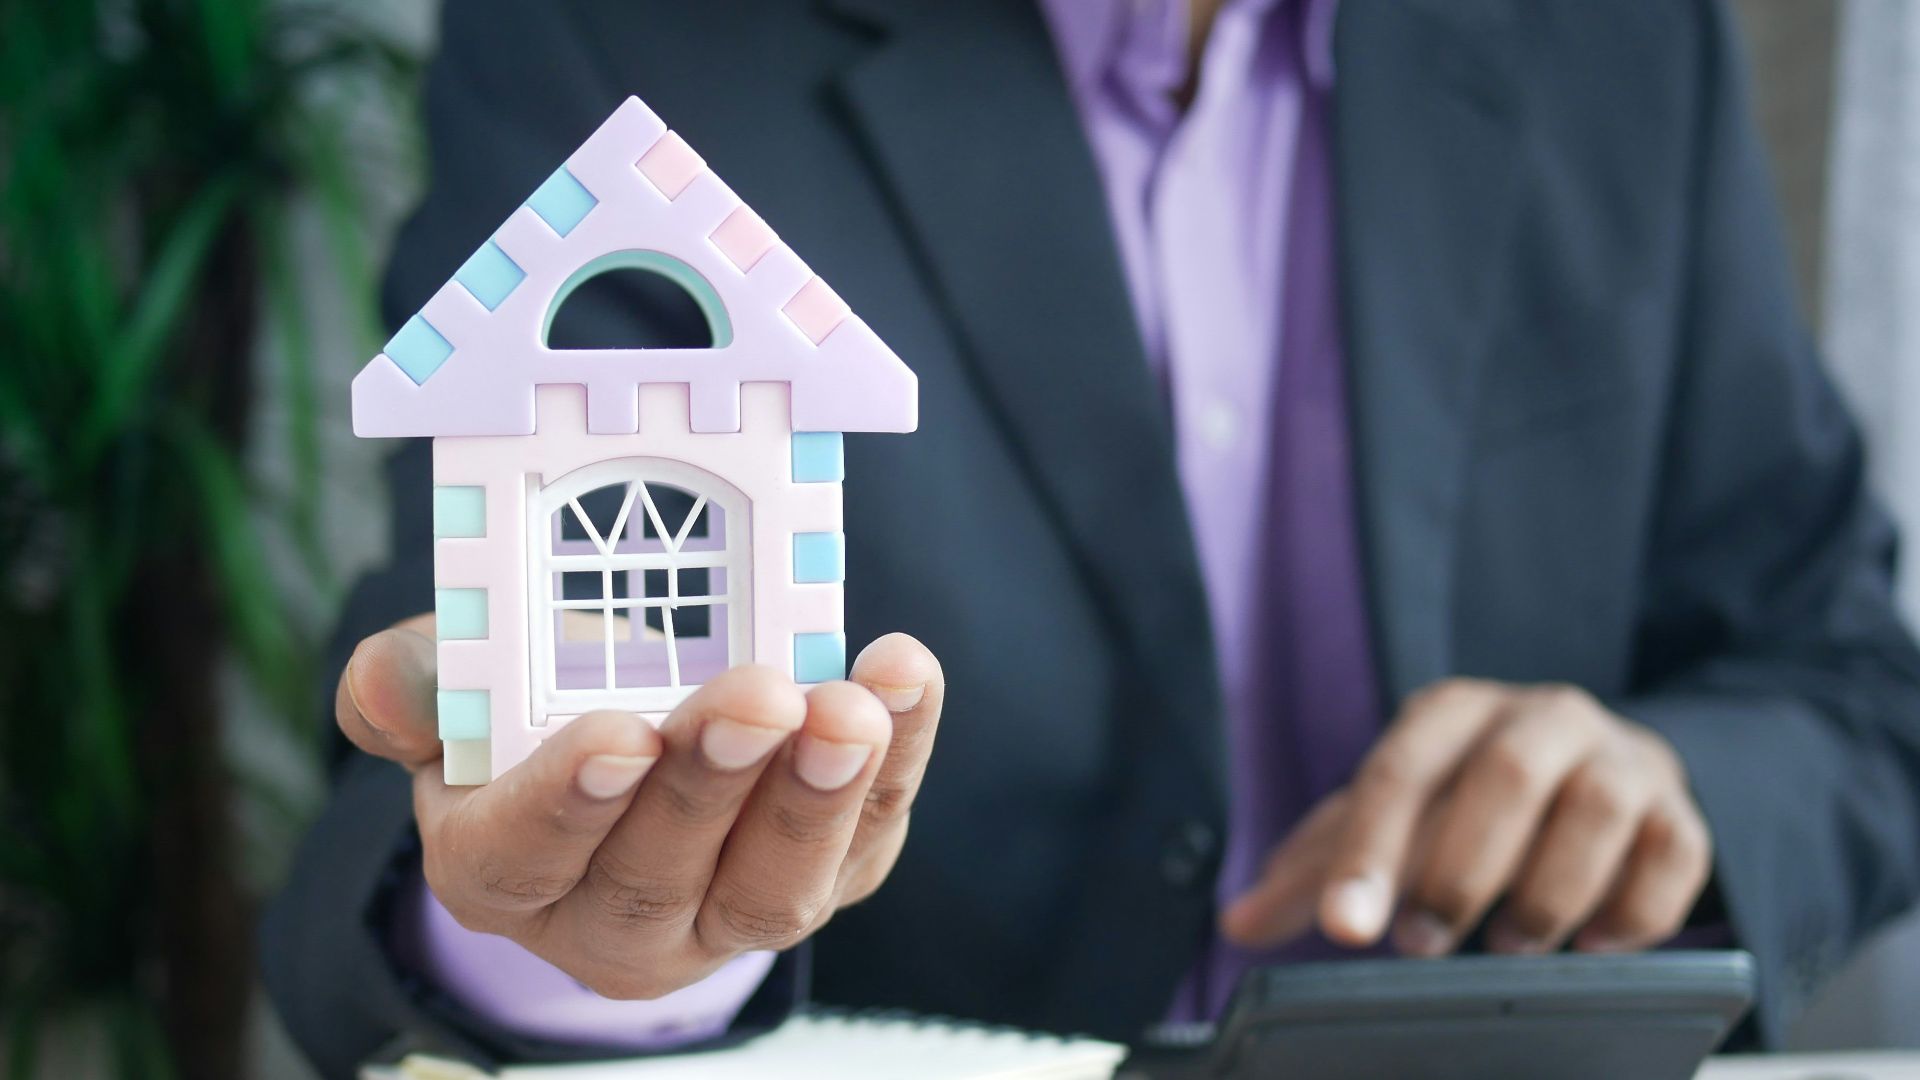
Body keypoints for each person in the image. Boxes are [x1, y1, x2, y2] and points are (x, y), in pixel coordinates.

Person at [264, 0, 1920, 1076]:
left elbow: (1851, 689)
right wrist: (591, 950)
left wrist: (1675, 793)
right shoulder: (610, 38)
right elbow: (444, 747)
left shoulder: (1617, 42)